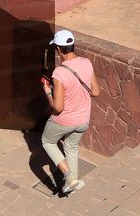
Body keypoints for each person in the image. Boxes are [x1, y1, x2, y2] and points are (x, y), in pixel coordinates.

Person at [40, 29, 100, 194]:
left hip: (64, 120)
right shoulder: (87, 62)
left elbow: (58, 107)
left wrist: (47, 91)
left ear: (59, 50)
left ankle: (69, 176)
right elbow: (95, 92)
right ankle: (72, 185)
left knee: (48, 142)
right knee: (71, 147)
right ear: (72, 45)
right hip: (83, 120)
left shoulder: (59, 72)